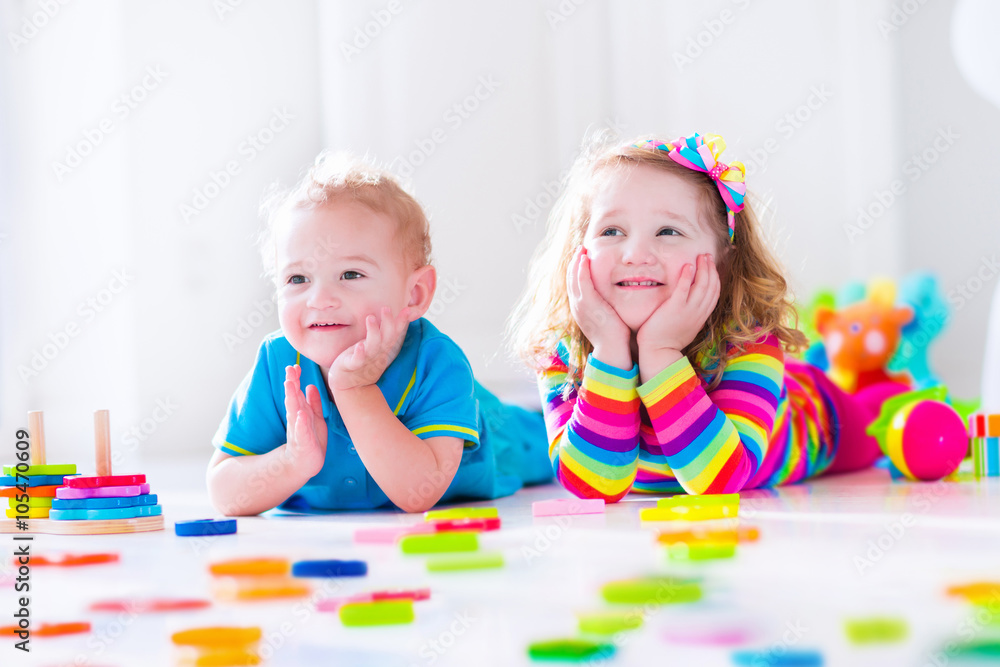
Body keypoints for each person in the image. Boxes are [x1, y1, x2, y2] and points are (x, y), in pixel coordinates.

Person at [510, 132, 899, 500]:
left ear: (723, 261)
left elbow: (722, 481)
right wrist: (609, 350)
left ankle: (897, 392)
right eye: (611, 231)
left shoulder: (748, 341)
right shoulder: (563, 349)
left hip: (819, 421)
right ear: (578, 251)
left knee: (878, 418)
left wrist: (659, 351)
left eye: (668, 231)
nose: (635, 253)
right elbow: (592, 488)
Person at [207, 152, 550, 515]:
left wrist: (355, 388)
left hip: (511, 443)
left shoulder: (436, 361)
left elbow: (419, 493)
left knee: (549, 438)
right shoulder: (278, 364)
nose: (319, 299)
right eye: (298, 279)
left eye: (351, 275)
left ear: (414, 294)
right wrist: (292, 461)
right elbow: (224, 493)